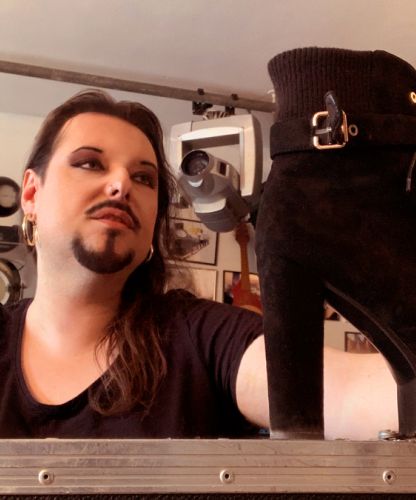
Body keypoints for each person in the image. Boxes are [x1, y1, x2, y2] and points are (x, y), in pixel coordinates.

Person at [0, 89, 398, 439]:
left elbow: (351, 395)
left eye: (144, 178)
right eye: (90, 163)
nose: (121, 184)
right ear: (31, 194)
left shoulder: (198, 336)